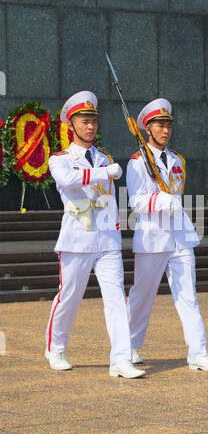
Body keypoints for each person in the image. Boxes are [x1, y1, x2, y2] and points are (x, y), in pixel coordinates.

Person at [45, 91, 145, 378]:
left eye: (93, 121)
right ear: (72, 124)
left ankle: (121, 359)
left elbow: (108, 199)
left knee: (115, 297)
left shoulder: (104, 158)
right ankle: (56, 347)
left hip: (107, 240)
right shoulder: (60, 159)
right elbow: (68, 180)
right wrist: (104, 173)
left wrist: (115, 226)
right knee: (70, 296)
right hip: (77, 238)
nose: (90, 126)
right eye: (84, 121)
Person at [126, 98, 208, 372]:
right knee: (142, 295)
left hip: (180, 236)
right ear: (147, 128)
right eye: (159, 125)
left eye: (168, 124)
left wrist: (172, 201)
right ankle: (130, 347)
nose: (165, 130)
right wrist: (164, 201)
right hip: (152, 236)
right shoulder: (137, 162)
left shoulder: (177, 159)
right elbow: (136, 202)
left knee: (188, 295)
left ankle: (198, 353)